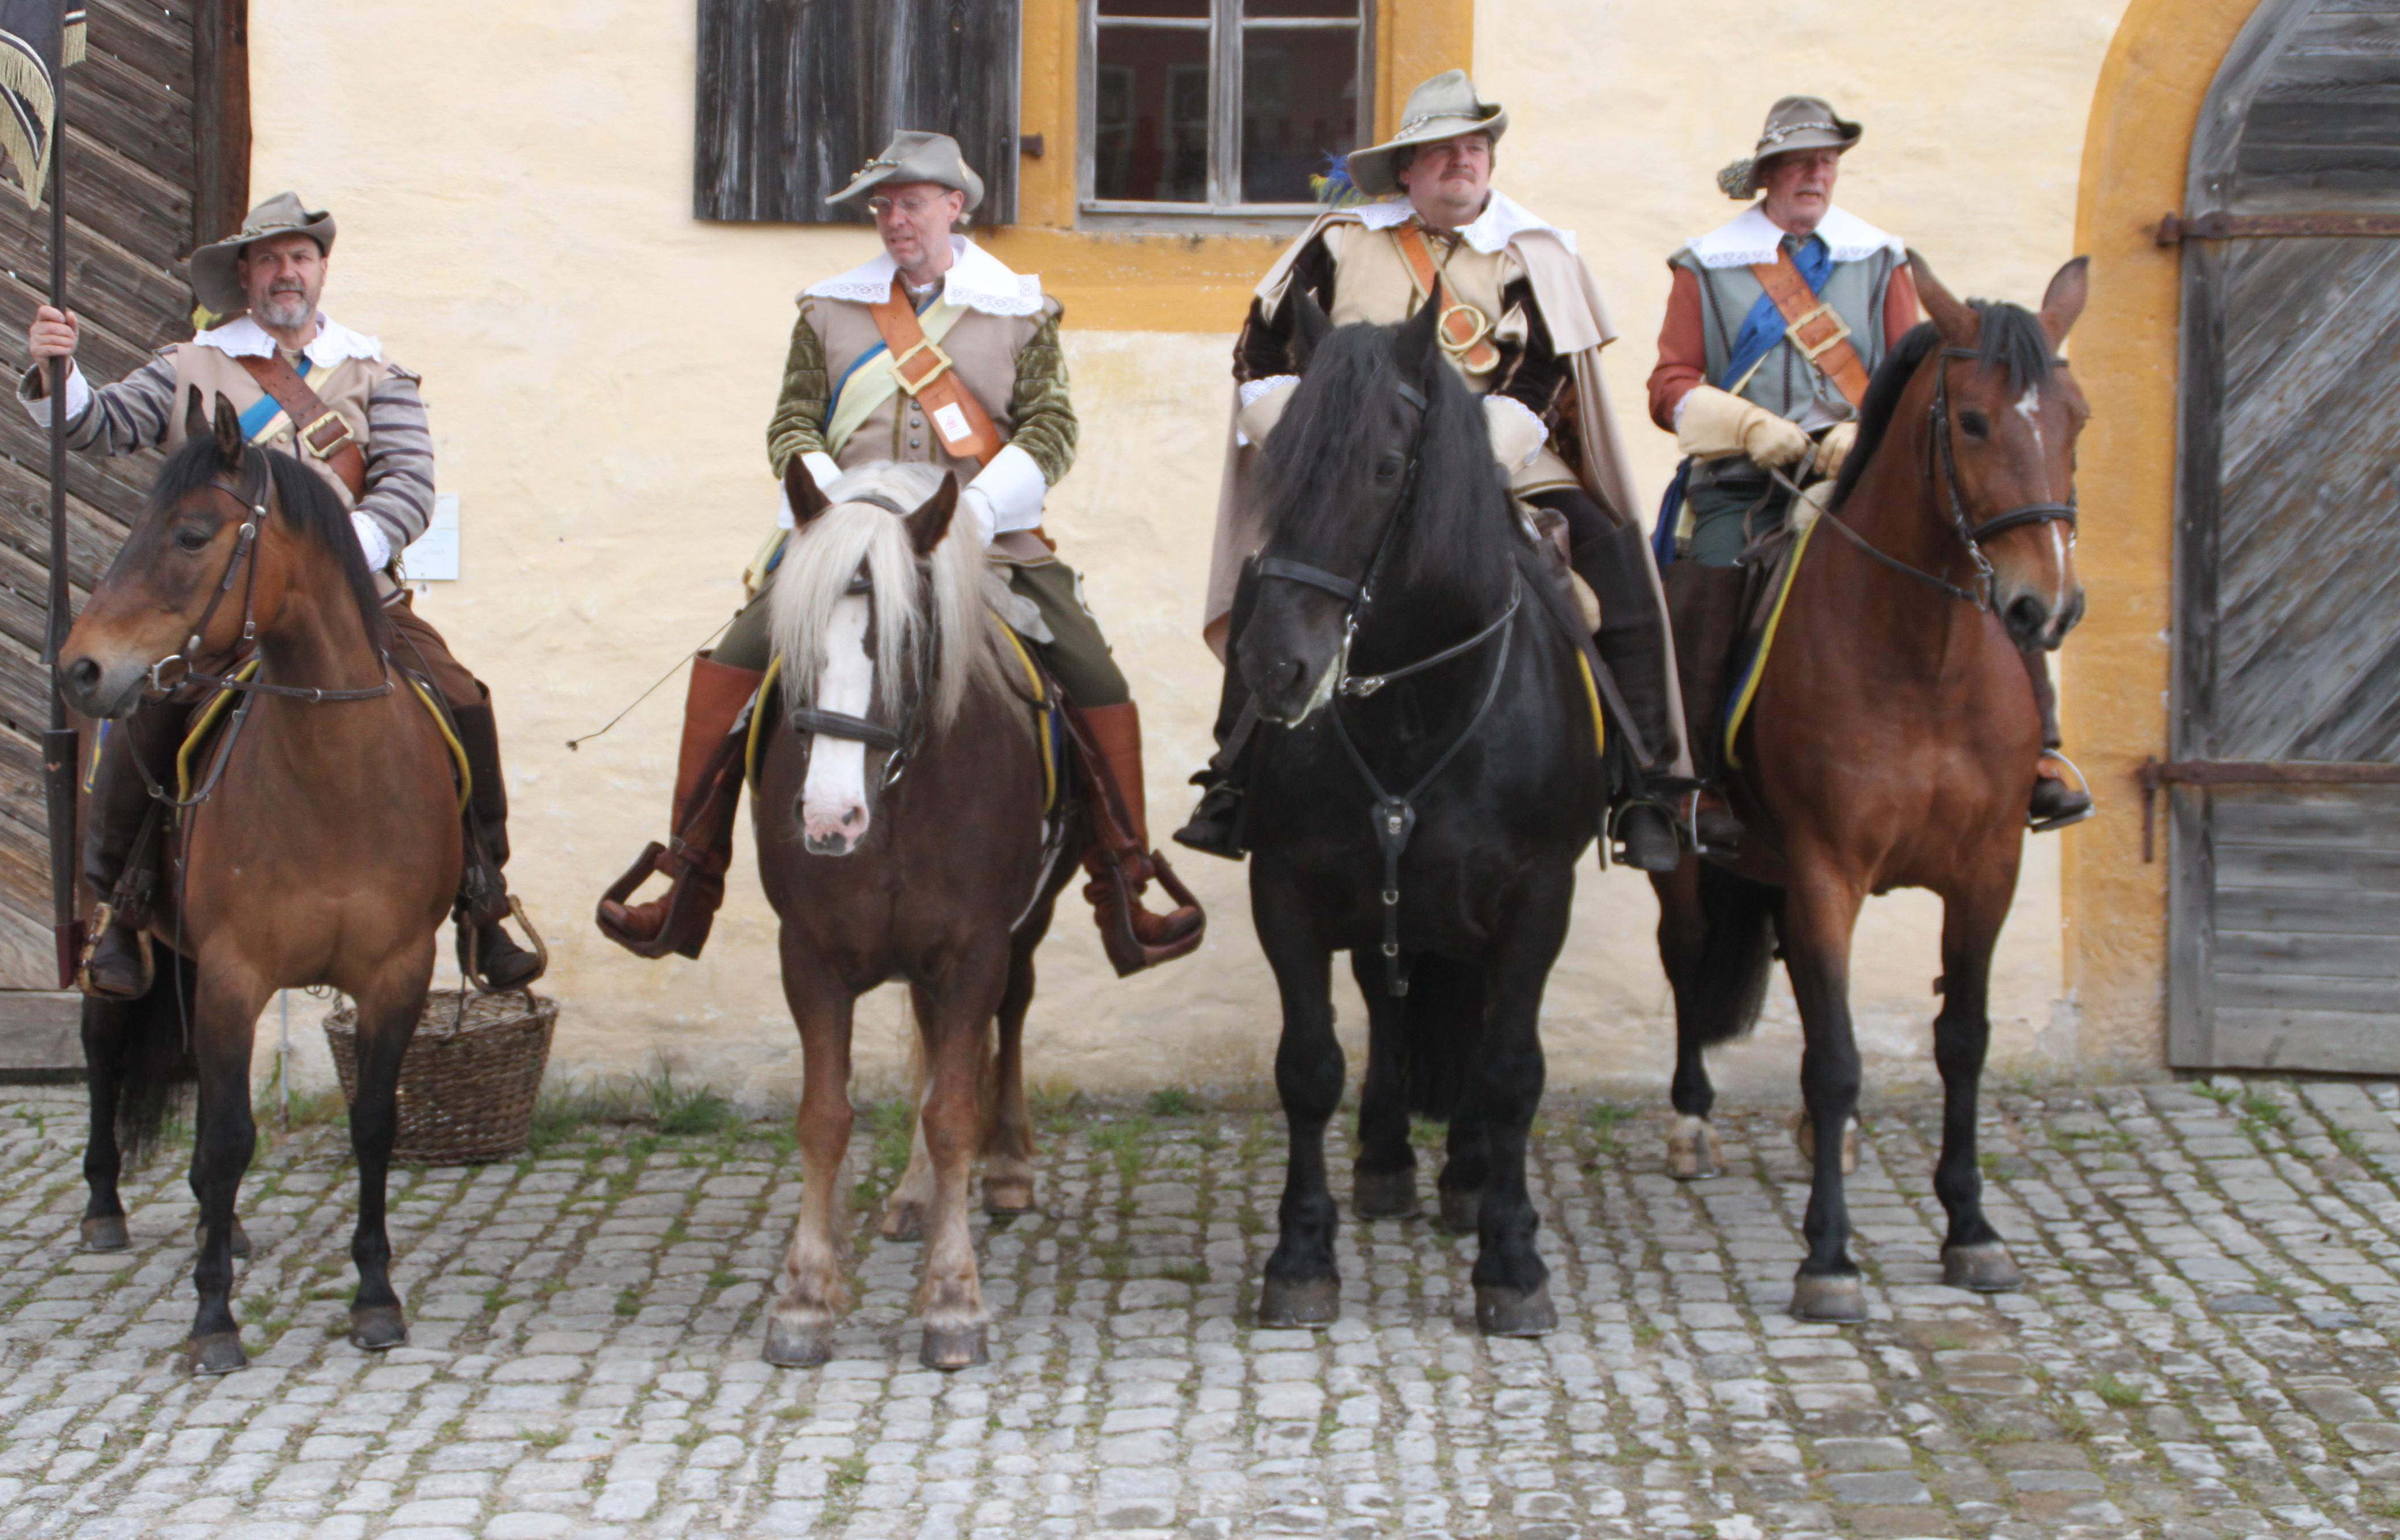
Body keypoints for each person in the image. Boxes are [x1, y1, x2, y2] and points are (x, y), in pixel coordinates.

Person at [595, 132, 1205, 973]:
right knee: (732, 664)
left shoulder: (1021, 310)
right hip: (845, 541)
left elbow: (1054, 429)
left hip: (988, 547)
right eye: (882, 207)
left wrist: (983, 511)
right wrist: (826, 507)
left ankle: (1123, 883)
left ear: (957, 206)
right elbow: (793, 424)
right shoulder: (828, 310)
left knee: (1094, 676)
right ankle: (689, 873)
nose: (893, 220)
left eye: (910, 202)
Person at [19, 192, 546, 996]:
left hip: (360, 608)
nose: (286, 273)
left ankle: (482, 900)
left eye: (300, 257)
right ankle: (124, 908)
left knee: (463, 698)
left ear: (321, 271)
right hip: (218, 619)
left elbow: (409, 487)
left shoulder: (377, 373)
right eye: (269, 259)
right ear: (245, 276)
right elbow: (99, 427)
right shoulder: (189, 366)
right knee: (146, 717)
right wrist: (61, 373)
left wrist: (343, 561)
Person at [1184, 70, 1699, 870]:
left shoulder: (1534, 255)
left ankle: (1646, 787)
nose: (1464, 160)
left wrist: (1463, 462)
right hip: (1354, 467)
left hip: (1503, 463)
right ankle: (1235, 778)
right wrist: (1318, 442)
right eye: (1444, 150)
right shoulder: (1337, 245)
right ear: (1408, 170)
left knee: (1619, 569)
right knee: (1276, 571)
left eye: (1476, 147)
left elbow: (1540, 378)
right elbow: (1260, 352)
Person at [1647, 96, 2090, 830]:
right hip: (1744, 472)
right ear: (1769, 174)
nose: (1816, 174)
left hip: (1859, 463)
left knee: (1983, 555)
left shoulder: (1880, 259)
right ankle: (1700, 783)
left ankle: (2040, 751)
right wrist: (1750, 424)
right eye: (1800, 161)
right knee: (1709, 575)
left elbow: (1907, 374)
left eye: (1827, 161)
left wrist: (1864, 430)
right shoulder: (1707, 265)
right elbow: (1671, 389)